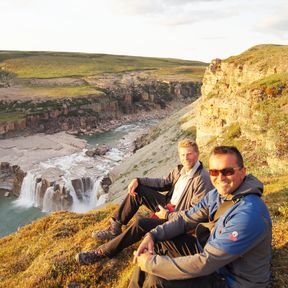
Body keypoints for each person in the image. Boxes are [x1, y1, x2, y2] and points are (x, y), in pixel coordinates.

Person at [130, 146, 272, 288]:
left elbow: (207, 262)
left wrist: (151, 264)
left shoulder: (248, 213)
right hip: (214, 257)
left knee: (158, 281)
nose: (220, 178)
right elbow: (185, 219)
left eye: (228, 171)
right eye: (214, 172)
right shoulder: (216, 195)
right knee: (156, 243)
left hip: (233, 280)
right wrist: (152, 235)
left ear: (243, 172)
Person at [76, 139, 213, 264]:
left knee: (141, 223)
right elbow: (164, 182)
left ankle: (102, 252)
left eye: (189, 154)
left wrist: (167, 215)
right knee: (138, 191)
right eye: (182, 155)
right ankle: (114, 227)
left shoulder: (202, 179)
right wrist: (139, 180)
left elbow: (194, 215)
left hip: (177, 219)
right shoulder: (180, 170)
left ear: (197, 154)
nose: (185, 158)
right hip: (168, 205)